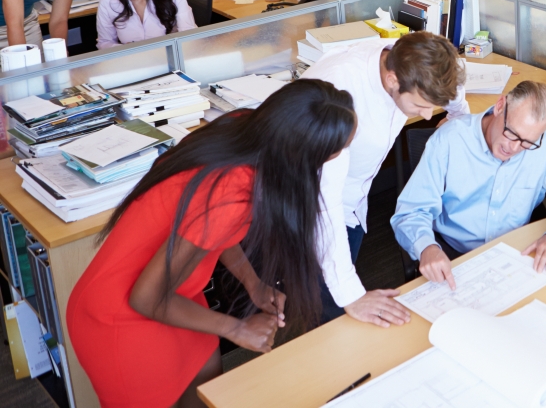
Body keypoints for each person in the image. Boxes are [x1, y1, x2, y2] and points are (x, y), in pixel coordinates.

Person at [66, 80, 356, 408]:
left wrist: (253, 283)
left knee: (208, 394)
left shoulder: (244, 128)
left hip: (179, 296)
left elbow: (212, 232)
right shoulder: (234, 191)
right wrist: (237, 329)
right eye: (335, 152)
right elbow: (145, 298)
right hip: (123, 318)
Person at [302, 30, 468, 325]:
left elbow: (452, 89)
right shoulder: (339, 96)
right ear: (392, 80)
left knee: (342, 297)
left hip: (355, 199)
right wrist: (351, 296)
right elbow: (324, 204)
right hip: (309, 204)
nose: (427, 116)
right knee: (329, 310)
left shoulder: (416, 62)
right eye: (419, 106)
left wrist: (457, 116)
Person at [393, 80, 546, 284]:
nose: (513, 148)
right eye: (511, 133)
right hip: (454, 256)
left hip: (516, 255)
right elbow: (411, 212)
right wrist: (426, 248)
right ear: (499, 106)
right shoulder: (449, 140)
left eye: (527, 142)